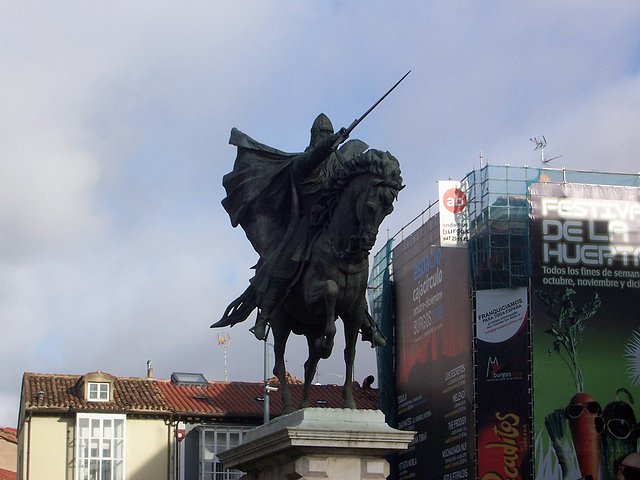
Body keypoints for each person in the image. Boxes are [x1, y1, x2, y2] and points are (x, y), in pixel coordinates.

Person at [221, 114, 385, 346]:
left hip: (332, 222)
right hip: (305, 223)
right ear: (314, 136)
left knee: (352, 271)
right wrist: (332, 143)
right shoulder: (303, 161)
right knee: (283, 261)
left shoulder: (337, 160)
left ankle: (367, 324)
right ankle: (265, 315)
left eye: (328, 134)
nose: (326, 137)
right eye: (323, 134)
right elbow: (312, 160)